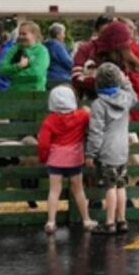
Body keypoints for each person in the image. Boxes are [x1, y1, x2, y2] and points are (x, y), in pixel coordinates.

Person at [85, 63, 138, 235]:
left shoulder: (98, 104)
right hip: (122, 150)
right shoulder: (125, 98)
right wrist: (126, 82)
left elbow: (96, 132)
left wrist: (90, 153)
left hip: (107, 152)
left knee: (110, 187)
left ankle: (109, 223)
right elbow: (134, 96)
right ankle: (122, 220)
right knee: (121, 186)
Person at [38, 86, 95, 235]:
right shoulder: (81, 116)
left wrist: (44, 158)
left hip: (55, 159)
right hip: (74, 158)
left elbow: (43, 143)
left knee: (54, 190)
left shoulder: (49, 120)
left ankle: (51, 222)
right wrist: (87, 110)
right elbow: (91, 116)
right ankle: (86, 220)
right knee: (78, 190)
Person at [94, 20, 139, 121]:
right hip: (129, 113)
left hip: (122, 115)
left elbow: (136, 90)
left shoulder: (121, 63)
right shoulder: (134, 54)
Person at [0, 21, 50, 92]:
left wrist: (12, 76)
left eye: (24, 34)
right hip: (14, 95)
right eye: (20, 34)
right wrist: (18, 66)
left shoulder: (42, 51)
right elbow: (2, 70)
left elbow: (36, 74)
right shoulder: (14, 49)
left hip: (35, 95)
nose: (21, 37)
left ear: (34, 35)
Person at [72, 15, 111, 98]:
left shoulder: (120, 51)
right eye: (103, 32)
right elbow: (76, 77)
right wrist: (102, 83)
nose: (107, 36)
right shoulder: (85, 49)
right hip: (89, 98)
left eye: (111, 33)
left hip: (115, 100)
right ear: (97, 31)